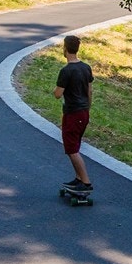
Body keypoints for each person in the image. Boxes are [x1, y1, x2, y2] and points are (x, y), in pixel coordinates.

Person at [53, 34, 94, 194]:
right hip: (84, 112)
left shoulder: (66, 71)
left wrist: (55, 90)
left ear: (65, 48)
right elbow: (90, 90)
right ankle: (78, 179)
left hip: (72, 113)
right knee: (75, 145)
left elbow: (58, 94)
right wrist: (88, 108)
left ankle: (85, 182)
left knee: (71, 149)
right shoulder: (86, 67)